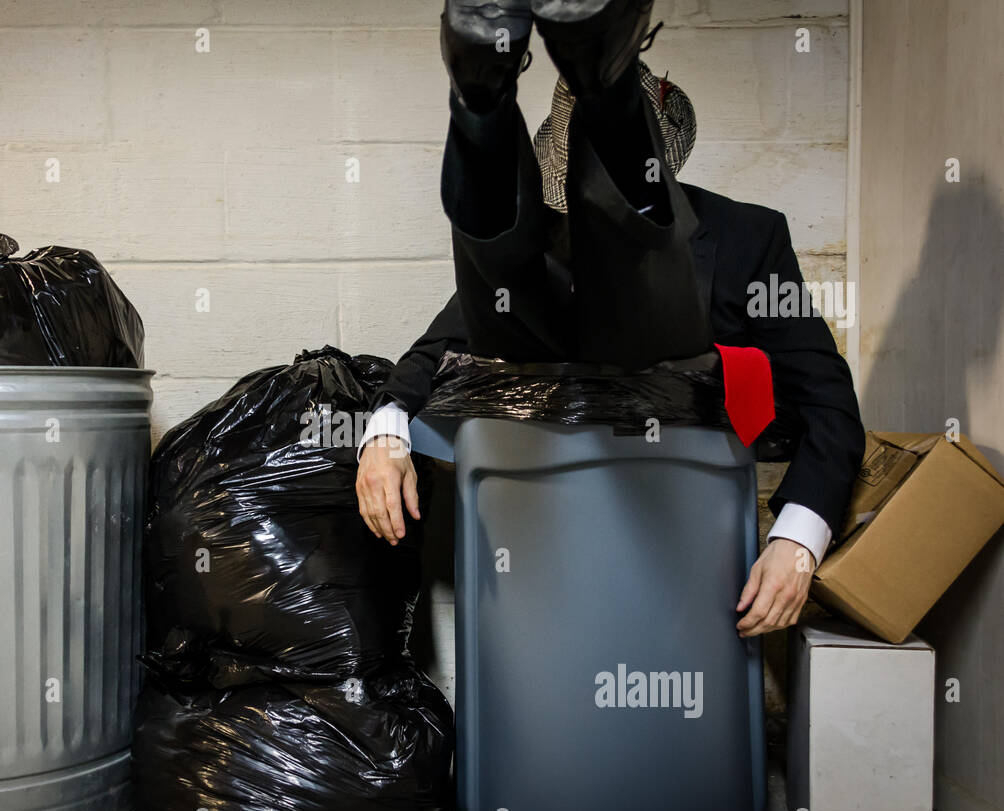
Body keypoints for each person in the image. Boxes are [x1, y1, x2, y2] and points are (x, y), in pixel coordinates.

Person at [354, 0, 865, 638]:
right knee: (504, 278)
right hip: (546, 519)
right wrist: (384, 433)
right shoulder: (541, 239)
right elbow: (436, 350)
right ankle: (482, 94)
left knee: (638, 276)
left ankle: (602, 76)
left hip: (675, 488)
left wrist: (798, 539)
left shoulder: (747, 237)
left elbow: (828, 400)